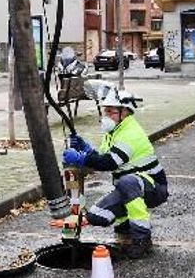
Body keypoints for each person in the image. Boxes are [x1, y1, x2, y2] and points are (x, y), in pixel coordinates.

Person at [63, 88, 169, 258]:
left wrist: (82, 158)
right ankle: (125, 227)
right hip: (133, 187)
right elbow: (103, 156)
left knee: (127, 183)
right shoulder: (114, 132)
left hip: (154, 188)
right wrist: (86, 148)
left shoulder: (131, 133)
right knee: (97, 216)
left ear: (125, 112)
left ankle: (142, 238)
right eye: (106, 111)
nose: (106, 116)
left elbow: (110, 162)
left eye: (111, 111)